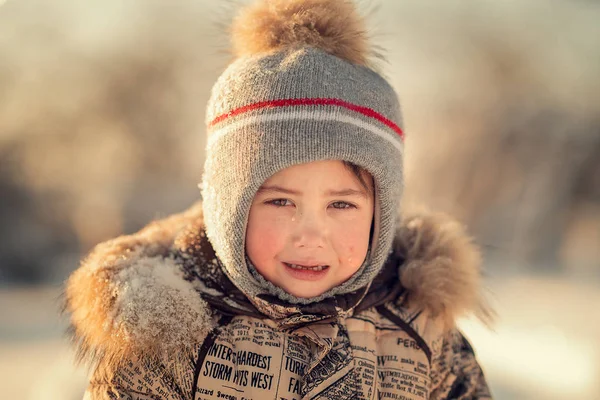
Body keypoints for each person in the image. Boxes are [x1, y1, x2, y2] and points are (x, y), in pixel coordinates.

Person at [63, 0, 493, 398]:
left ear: (380, 214)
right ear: (228, 208)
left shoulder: (424, 331)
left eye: (341, 205)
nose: (310, 235)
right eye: (280, 203)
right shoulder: (164, 334)